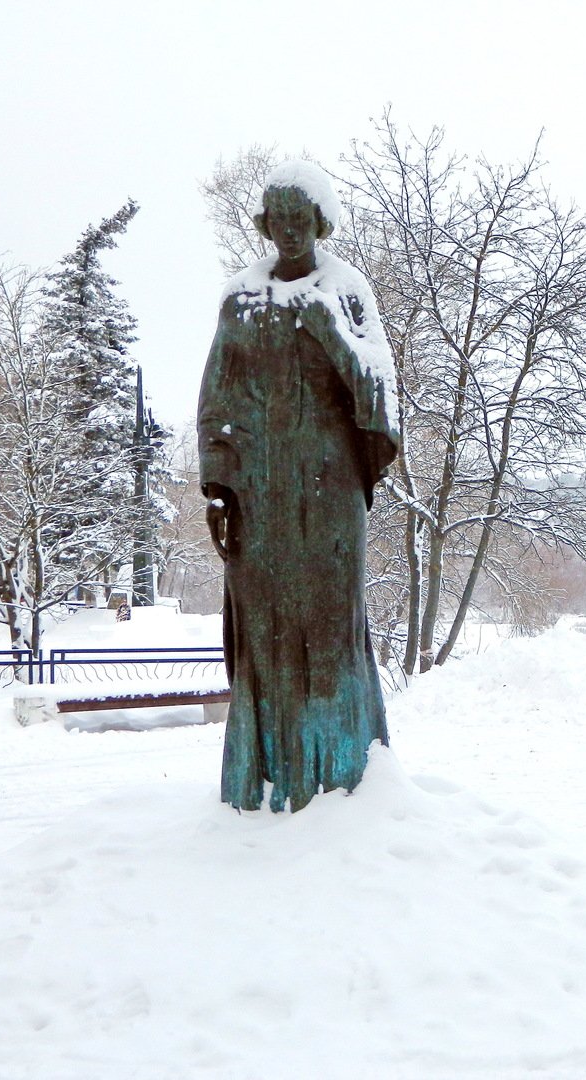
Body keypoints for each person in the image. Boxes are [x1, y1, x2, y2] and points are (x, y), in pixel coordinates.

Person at [198, 161, 399, 812]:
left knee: (330, 624)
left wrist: (328, 330)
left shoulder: (346, 291)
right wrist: (219, 488)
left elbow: (380, 402)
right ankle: (264, 772)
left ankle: (340, 773)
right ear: (263, 225)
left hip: (331, 487)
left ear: (319, 223)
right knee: (266, 627)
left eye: (300, 218)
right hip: (261, 496)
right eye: (277, 219)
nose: (288, 230)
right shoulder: (242, 299)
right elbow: (218, 402)